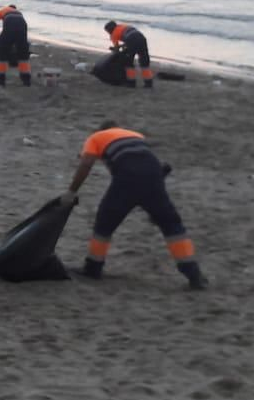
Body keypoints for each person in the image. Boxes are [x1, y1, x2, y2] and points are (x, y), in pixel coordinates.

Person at [61, 121, 208, 290]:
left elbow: (86, 163)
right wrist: (154, 209)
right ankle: (194, 275)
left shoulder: (96, 137)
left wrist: (72, 191)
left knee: (105, 222)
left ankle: (93, 267)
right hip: (154, 175)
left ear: (101, 130)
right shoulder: (135, 135)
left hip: (127, 177)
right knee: (172, 225)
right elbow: (146, 165)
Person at [0, 5, 32, 86]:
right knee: (23, 53)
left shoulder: (4, 9)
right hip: (22, 23)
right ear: (15, 8)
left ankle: (1, 80)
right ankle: (26, 80)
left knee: (2, 51)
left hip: (10, 21)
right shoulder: (19, 13)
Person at [104, 20, 152, 89]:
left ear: (110, 30)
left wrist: (114, 49)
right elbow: (129, 38)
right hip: (141, 38)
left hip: (131, 40)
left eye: (107, 31)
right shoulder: (123, 26)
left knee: (128, 62)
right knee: (144, 62)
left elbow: (117, 49)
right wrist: (123, 46)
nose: (108, 33)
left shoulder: (113, 34)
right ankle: (148, 84)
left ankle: (131, 83)